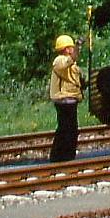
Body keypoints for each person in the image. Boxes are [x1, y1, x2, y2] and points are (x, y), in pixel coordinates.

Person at [49, 33, 83, 162]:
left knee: (68, 129)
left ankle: (66, 156)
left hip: (70, 99)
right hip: (64, 100)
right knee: (67, 129)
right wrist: (79, 46)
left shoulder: (69, 64)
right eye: (71, 47)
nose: (72, 49)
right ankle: (61, 156)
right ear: (65, 49)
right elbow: (69, 61)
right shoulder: (60, 60)